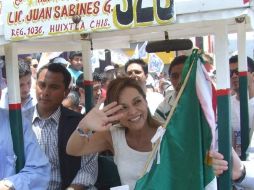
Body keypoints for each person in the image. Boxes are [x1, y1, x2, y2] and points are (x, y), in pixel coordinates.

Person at [66, 77, 161, 190]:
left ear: (145, 101)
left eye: (137, 102)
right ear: (114, 111)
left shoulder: (166, 133)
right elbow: (73, 150)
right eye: (123, 107)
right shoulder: (113, 134)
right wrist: (84, 125)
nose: (133, 111)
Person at [31, 63, 98, 190]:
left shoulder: (78, 123)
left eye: (53, 87)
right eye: (42, 85)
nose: (45, 92)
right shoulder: (20, 122)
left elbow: (88, 167)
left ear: (66, 92)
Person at [0, 65, 50, 190]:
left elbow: (39, 169)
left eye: (28, 83)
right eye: (21, 84)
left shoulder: (17, 122)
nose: (26, 88)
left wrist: (9, 184)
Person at [229, 55, 254, 156]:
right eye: (231, 73)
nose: (234, 76)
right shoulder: (224, 105)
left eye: (238, 71)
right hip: (233, 167)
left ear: (252, 75)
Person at [154, 55, 188, 123]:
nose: (180, 81)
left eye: (185, 75)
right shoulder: (162, 109)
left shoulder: (209, 103)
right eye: (175, 76)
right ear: (170, 79)